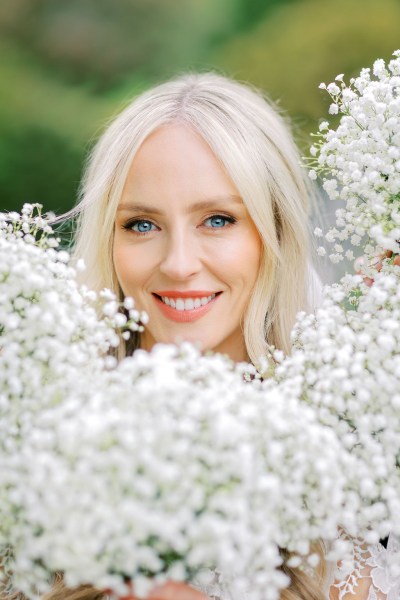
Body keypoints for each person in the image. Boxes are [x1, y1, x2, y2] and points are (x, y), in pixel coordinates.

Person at [60, 74, 398, 599]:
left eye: (217, 220)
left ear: (277, 232)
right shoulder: (41, 446)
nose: (178, 265)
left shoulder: (350, 471)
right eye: (141, 225)